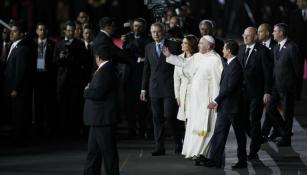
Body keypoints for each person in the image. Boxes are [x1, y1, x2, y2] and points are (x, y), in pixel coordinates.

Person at [162, 35, 223, 162]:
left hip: (207, 100)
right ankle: (195, 151)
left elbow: (217, 82)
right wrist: (169, 56)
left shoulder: (215, 60)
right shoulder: (197, 56)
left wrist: (216, 100)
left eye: (201, 43)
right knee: (194, 126)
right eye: (199, 43)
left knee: (205, 127)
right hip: (195, 100)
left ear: (209, 46)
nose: (199, 45)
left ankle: (203, 154)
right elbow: (184, 63)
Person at [140, 22, 184, 156]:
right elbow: (146, 69)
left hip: (170, 87)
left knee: (170, 116)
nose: (156, 34)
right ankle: (159, 146)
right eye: (153, 32)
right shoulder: (148, 47)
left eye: (158, 32)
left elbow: (180, 65)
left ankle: (178, 142)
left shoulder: (174, 45)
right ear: (150, 33)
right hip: (154, 88)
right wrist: (143, 89)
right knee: (156, 118)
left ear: (163, 32)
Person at [206, 40, 247, 169]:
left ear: (229, 51)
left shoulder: (235, 65)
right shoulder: (229, 64)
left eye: (224, 48)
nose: (222, 50)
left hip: (234, 108)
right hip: (224, 107)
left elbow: (230, 88)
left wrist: (215, 101)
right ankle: (215, 160)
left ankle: (242, 160)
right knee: (219, 133)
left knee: (240, 135)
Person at [83, 46, 119, 175]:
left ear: (97, 57)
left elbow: (99, 93)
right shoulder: (106, 69)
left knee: (108, 152)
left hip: (103, 119)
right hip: (98, 119)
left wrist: (87, 91)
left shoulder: (105, 71)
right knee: (93, 152)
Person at [238, 27, 272, 160]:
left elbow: (268, 73)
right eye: (244, 35)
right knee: (243, 120)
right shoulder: (240, 49)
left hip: (257, 93)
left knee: (255, 120)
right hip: (242, 93)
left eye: (248, 35)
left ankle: (253, 151)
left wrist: (267, 91)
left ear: (255, 37)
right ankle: (257, 138)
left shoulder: (263, 51)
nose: (245, 37)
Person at [267, 23, 302, 147]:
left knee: (287, 113)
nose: (272, 33)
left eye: (275, 31)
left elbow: (298, 69)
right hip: (276, 86)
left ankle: (286, 139)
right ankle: (285, 132)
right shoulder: (276, 47)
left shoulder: (292, 47)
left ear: (281, 33)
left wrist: (298, 89)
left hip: (288, 87)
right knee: (270, 109)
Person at [53, 20, 87, 137]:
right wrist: (60, 57)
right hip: (62, 80)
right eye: (68, 30)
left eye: (72, 31)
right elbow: (54, 62)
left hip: (75, 80)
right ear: (64, 31)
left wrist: (72, 57)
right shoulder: (59, 43)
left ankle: (74, 131)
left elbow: (83, 61)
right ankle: (63, 130)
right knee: (62, 106)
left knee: (74, 106)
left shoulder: (79, 44)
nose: (70, 33)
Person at [2, 20, 34, 144]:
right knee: (15, 113)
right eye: (11, 31)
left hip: (18, 89)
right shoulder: (14, 45)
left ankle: (20, 139)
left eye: (14, 32)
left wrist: (15, 88)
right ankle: (18, 136)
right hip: (12, 87)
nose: (11, 34)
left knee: (19, 113)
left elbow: (20, 71)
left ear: (21, 34)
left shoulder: (22, 48)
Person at [121, 18, 152, 137]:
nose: (136, 28)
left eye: (139, 26)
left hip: (141, 77)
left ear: (143, 27)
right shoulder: (127, 38)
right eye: (135, 26)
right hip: (129, 76)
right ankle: (131, 130)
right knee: (129, 105)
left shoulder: (147, 39)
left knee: (142, 106)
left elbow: (146, 54)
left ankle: (143, 129)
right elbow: (124, 54)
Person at [257, 23, 280, 142]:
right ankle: (275, 130)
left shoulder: (276, 46)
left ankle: (265, 132)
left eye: (260, 31)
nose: (258, 33)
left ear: (267, 33)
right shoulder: (258, 45)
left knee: (270, 108)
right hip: (262, 83)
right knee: (270, 108)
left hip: (274, 83)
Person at [33, 22, 57, 137]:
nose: (42, 31)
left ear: (46, 31)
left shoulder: (52, 44)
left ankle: (49, 128)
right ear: (37, 31)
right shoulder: (32, 44)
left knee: (48, 104)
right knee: (37, 103)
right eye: (40, 29)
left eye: (44, 29)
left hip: (48, 77)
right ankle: (37, 128)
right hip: (36, 77)